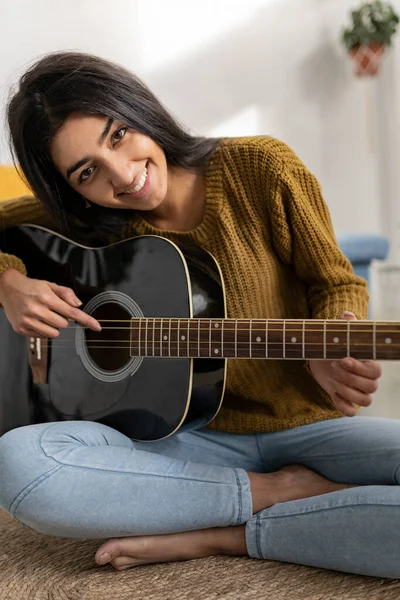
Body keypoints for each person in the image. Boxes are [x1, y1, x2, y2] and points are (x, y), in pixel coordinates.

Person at [0, 51, 395, 579]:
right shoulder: (90, 226)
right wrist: (10, 282)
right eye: (87, 172)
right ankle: (276, 494)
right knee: (23, 464)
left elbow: (336, 282)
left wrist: (332, 337)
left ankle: (224, 534)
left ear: (137, 109)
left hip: (307, 431)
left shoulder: (262, 168)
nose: (122, 176)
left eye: (117, 135)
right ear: (73, 191)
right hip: (178, 444)